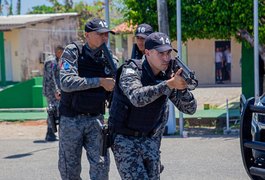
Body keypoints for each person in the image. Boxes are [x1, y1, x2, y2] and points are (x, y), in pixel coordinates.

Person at [109, 32, 197, 179]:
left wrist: (182, 88)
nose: (166, 58)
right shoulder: (131, 70)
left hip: (149, 140)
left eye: (168, 53)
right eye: (161, 53)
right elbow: (136, 97)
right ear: (148, 53)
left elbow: (190, 109)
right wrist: (168, 84)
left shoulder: (166, 76)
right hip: (125, 139)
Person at [58, 18, 117, 180]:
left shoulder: (109, 58)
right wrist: (99, 81)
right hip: (71, 119)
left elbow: (116, 86)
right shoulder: (73, 51)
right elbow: (66, 82)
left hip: (95, 120)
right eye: (100, 34)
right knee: (69, 169)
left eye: (106, 35)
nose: (105, 38)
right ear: (87, 35)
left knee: (101, 166)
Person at [42, 45, 64, 141]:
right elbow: (52, 78)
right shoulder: (52, 62)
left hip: (53, 90)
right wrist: (56, 91)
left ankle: (50, 132)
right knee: (52, 111)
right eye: (62, 53)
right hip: (51, 91)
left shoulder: (56, 60)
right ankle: (50, 133)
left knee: (54, 111)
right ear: (58, 52)